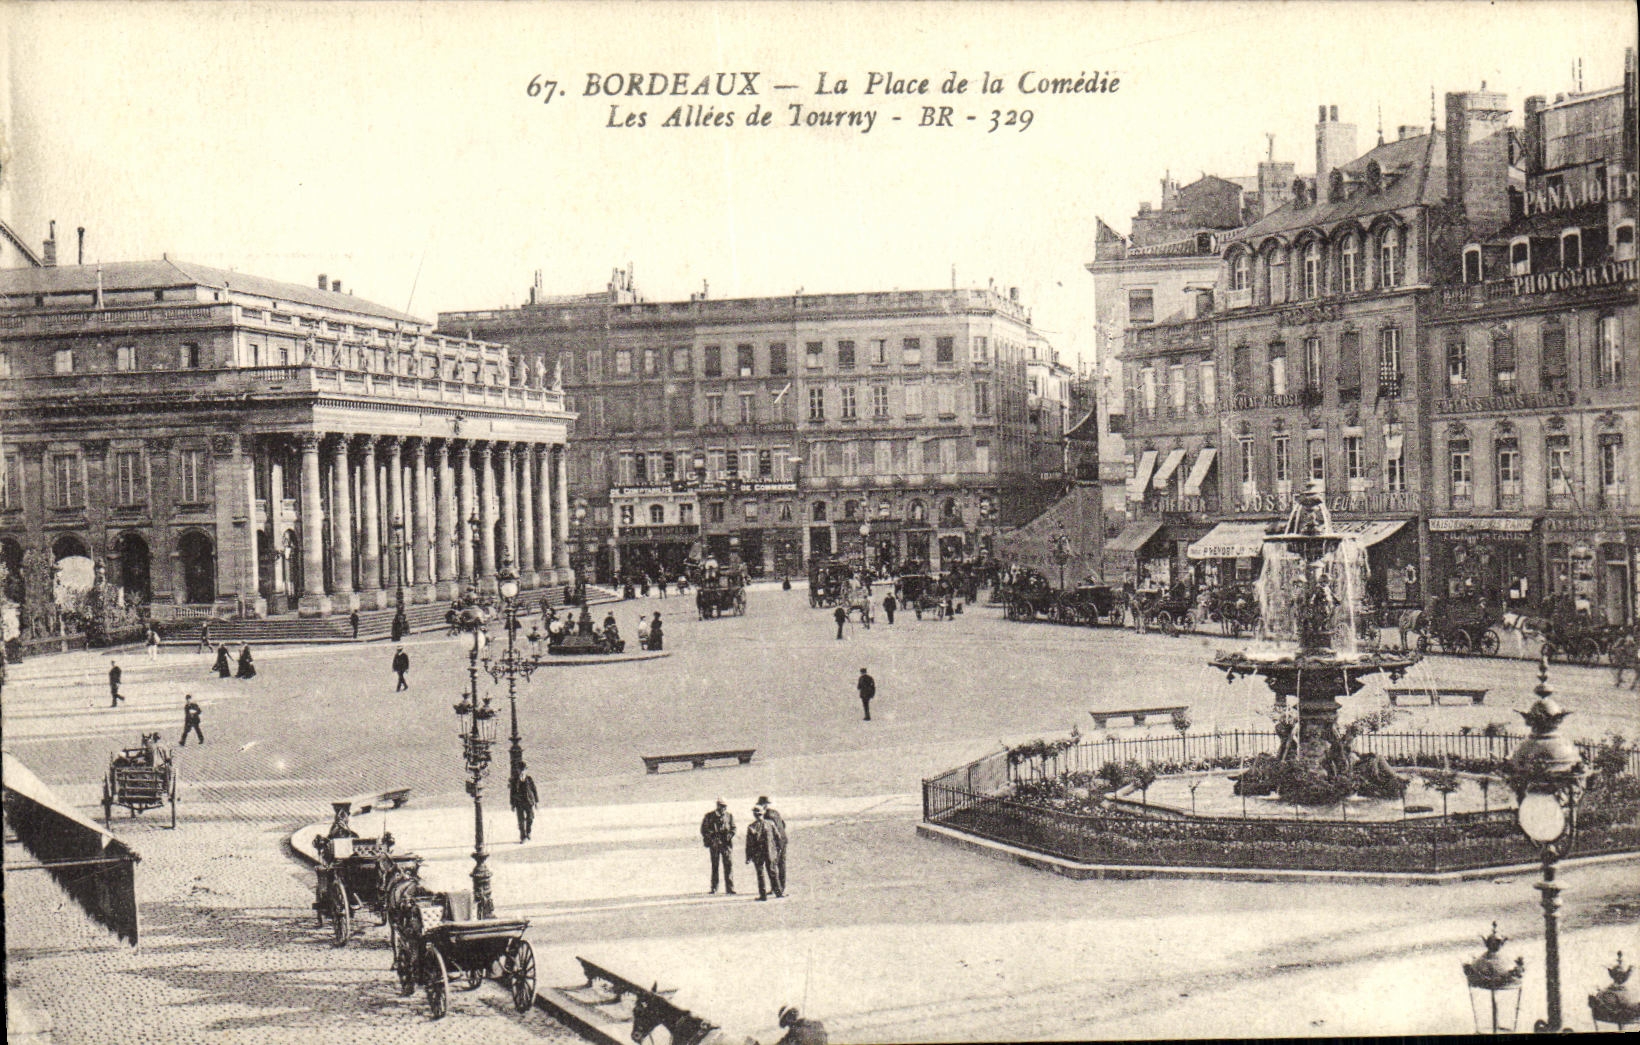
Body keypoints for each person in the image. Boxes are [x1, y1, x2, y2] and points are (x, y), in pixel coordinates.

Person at [744, 806, 783, 900]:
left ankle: (763, 895)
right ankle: (778, 893)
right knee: (772, 872)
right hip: (769, 852)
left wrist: (748, 857)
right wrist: (778, 849)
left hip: (758, 854)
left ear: (754, 815)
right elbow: (778, 837)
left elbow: (749, 844)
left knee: (761, 874)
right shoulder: (770, 823)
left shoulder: (751, 827)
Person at [700, 799, 736, 895]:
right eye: (722, 806)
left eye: (725, 806)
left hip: (726, 845)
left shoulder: (729, 816)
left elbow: (733, 828)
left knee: (728, 865)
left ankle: (730, 888)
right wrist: (712, 838)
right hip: (714, 845)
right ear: (717, 805)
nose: (724, 808)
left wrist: (728, 836)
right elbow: (704, 829)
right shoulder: (709, 816)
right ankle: (714, 888)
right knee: (715, 866)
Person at [756, 796, 789, 893]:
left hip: (776, 842)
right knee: (781, 864)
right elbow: (783, 824)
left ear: (764, 805)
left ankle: (776, 888)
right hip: (783, 840)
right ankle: (781, 887)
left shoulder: (767, 816)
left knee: (773, 864)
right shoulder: (775, 812)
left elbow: (769, 830)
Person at [510, 764, 539, 842]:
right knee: (521, 820)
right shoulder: (515, 780)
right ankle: (523, 837)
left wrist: (536, 802)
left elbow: (534, 790)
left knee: (530, 818)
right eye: (520, 770)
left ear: (526, 770)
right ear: (518, 770)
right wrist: (512, 804)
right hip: (519, 803)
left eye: (523, 770)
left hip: (528, 802)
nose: (522, 772)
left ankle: (528, 832)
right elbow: (512, 793)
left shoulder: (529, 779)